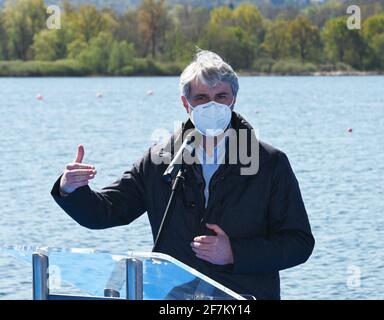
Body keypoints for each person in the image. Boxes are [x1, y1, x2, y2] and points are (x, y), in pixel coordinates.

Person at [51, 50, 314, 300]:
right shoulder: (159, 161)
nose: (212, 105)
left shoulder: (269, 163)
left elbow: (299, 242)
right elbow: (105, 211)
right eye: (201, 98)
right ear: (185, 103)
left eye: (221, 96)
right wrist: (71, 189)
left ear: (233, 99)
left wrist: (235, 252)